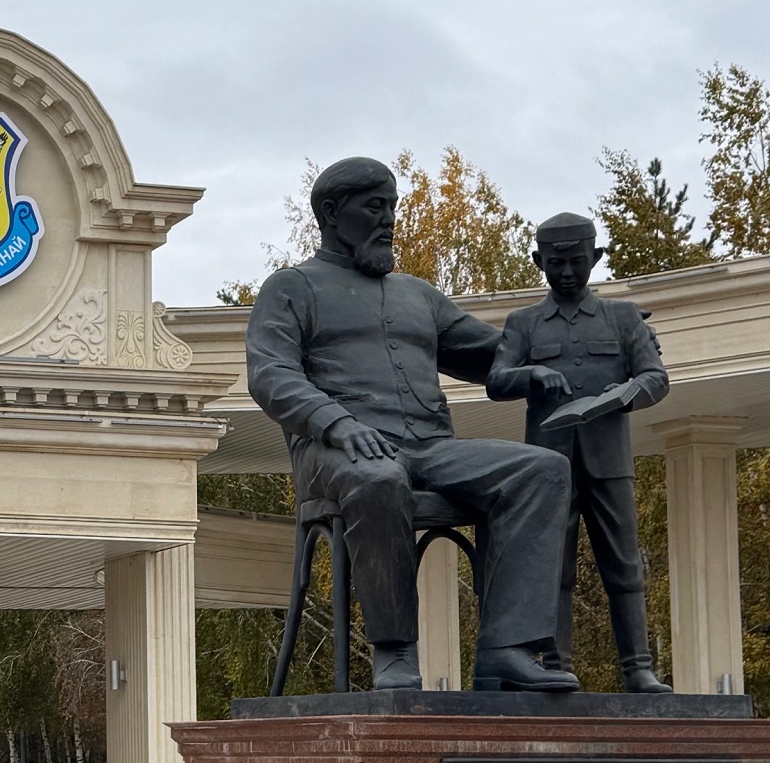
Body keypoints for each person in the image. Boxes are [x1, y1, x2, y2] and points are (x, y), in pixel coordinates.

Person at [245, 156, 578, 691]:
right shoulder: (291, 288)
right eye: (375, 207)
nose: (389, 219)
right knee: (379, 479)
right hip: (336, 452)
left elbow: (491, 353)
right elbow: (270, 374)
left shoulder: (417, 294)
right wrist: (335, 422)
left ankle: (506, 651)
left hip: (430, 449)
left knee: (541, 470)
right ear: (331, 212)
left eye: (393, 207)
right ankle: (395, 651)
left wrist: (575, 340)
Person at [489, 212, 672, 692]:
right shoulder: (523, 323)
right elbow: (496, 380)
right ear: (538, 262)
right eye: (555, 263)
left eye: (575, 262)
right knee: (553, 569)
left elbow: (655, 377)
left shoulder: (624, 316)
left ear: (595, 258)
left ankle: (638, 669)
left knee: (625, 565)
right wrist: (531, 375)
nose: (566, 272)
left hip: (609, 463)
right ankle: (555, 664)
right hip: (548, 469)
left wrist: (618, 397)